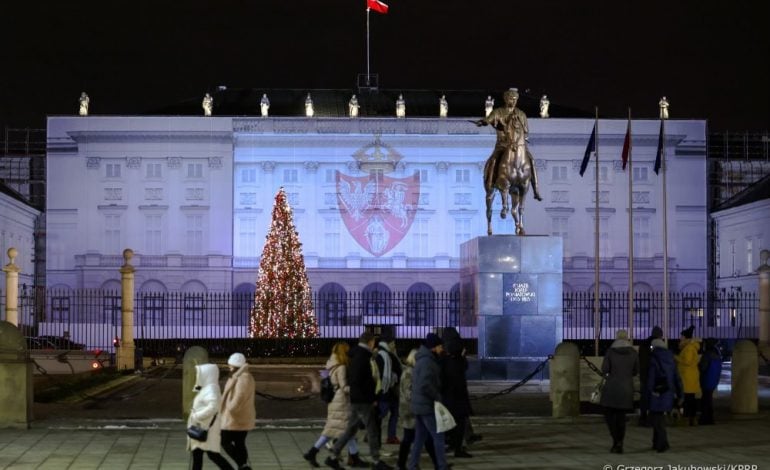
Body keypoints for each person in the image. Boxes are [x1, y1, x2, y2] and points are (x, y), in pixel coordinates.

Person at [326, 332, 394, 470]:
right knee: (372, 430)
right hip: (363, 400)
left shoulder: (357, 354)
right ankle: (376, 460)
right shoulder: (363, 357)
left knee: (351, 430)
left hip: (358, 399)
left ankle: (333, 455)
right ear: (370, 342)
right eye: (373, 342)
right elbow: (361, 380)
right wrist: (371, 397)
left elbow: (357, 380)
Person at [304, 342, 367, 468]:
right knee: (346, 431)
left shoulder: (332, 365)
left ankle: (313, 452)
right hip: (342, 402)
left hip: (335, 400)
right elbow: (344, 387)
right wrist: (356, 389)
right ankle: (352, 458)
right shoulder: (342, 367)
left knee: (334, 431)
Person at [475, 88, 542, 201]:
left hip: (518, 146)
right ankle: (490, 185)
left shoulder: (521, 114)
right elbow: (489, 119)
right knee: (493, 161)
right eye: (511, 98)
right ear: (506, 99)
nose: (513, 101)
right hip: (503, 145)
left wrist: (522, 138)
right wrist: (483, 122)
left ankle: (536, 189)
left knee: (531, 160)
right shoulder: (498, 112)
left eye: (515, 99)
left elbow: (526, 131)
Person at [407, 333, 448, 470]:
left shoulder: (423, 359)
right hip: (426, 405)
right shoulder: (428, 361)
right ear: (434, 347)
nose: (441, 348)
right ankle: (442, 466)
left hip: (419, 404)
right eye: (440, 346)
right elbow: (425, 384)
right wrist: (437, 396)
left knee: (420, 437)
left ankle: (412, 465)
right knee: (439, 436)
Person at [188, 364, 234, 470]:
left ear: (207, 375)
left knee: (210, 456)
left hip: (206, 428)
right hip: (205, 427)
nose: (198, 376)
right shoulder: (208, 387)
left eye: (200, 373)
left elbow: (213, 407)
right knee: (203, 456)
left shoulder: (211, 389)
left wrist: (196, 416)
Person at [600, 329, 639, 454]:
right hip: (626, 388)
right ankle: (620, 442)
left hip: (612, 387)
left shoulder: (611, 352)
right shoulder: (633, 353)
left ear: (616, 338)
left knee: (610, 415)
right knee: (621, 417)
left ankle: (615, 440)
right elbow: (636, 371)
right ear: (627, 338)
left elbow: (604, 369)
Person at [397, 349, 437, 470]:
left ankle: (404, 464)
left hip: (412, 410)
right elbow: (409, 394)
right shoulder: (409, 373)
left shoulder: (412, 371)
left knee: (419, 439)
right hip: (411, 412)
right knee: (417, 439)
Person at [219, 353, 256, 470]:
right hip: (240, 416)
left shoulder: (243, 378)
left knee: (225, 441)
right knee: (239, 443)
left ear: (235, 365)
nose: (229, 366)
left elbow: (239, 397)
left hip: (236, 417)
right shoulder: (241, 376)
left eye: (230, 365)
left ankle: (243, 465)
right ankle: (243, 466)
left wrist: (230, 407)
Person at [647, 337, 683, 453]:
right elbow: (677, 378)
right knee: (659, 418)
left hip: (657, 392)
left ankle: (662, 444)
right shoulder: (671, 358)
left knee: (657, 419)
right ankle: (656, 442)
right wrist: (680, 394)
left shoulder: (654, 358)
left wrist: (649, 391)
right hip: (668, 392)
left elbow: (651, 378)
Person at [441, 332, 472, 458]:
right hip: (457, 398)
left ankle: (453, 444)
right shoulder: (457, 359)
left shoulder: (444, 359)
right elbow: (462, 369)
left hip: (448, 397)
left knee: (452, 424)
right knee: (459, 424)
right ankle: (457, 448)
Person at [376, 334, 402, 446]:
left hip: (392, 390)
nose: (394, 345)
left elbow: (398, 367)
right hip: (385, 390)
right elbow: (382, 374)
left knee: (395, 413)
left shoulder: (390, 354)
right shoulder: (382, 355)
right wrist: (393, 377)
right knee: (381, 413)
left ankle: (391, 436)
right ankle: (372, 434)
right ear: (388, 343)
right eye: (392, 343)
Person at [637, 325, 664, 426]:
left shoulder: (643, 345)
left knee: (644, 397)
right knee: (654, 397)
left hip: (644, 375)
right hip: (655, 376)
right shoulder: (658, 345)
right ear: (659, 335)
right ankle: (652, 419)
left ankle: (643, 417)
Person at [675, 325, 701, 426]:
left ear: (685, 337)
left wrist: (676, 358)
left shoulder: (689, 348)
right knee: (690, 399)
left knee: (688, 400)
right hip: (690, 376)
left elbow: (687, 361)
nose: (680, 338)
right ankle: (692, 419)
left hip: (688, 377)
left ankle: (687, 419)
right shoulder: (688, 347)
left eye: (681, 336)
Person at [698, 338, 722, 425]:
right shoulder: (717, 354)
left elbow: (702, 367)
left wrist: (698, 364)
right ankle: (710, 418)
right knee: (708, 399)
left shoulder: (707, 355)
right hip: (713, 380)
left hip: (706, 380)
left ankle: (705, 419)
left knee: (705, 400)